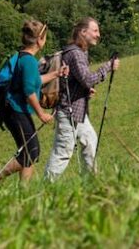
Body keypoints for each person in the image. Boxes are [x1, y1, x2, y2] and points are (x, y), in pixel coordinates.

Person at [0, 19, 68, 185]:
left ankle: (23, 191)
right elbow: (30, 92)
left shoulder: (22, 56)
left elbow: (34, 81)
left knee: (30, 152)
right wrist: (41, 113)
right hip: (15, 112)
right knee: (31, 151)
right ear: (39, 40)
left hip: (13, 111)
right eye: (45, 37)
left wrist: (56, 74)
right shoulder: (28, 61)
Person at [44, 17, 120, 180]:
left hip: (77, 112)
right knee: (63, 152)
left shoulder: (78, 52)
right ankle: (45, 188)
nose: (98, 34)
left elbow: (74, 80)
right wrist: (108, 67)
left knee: (90, 141)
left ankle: (89, 183)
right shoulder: (76, 54)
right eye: (95, 30)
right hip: (69, 112)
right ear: (83, 32)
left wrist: (85, 91)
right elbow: (87, 79)